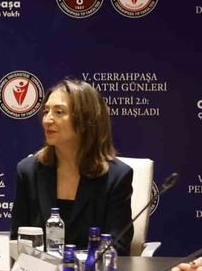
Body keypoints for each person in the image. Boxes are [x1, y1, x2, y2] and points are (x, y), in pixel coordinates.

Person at [10, 79, 134, 255]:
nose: (47, 120)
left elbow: (117, 247)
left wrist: (72, 263)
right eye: (46, 111)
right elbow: (17, 241)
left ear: (86, 120)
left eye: (59, 112)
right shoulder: (28, 171)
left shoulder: (117, 177)